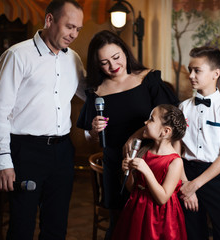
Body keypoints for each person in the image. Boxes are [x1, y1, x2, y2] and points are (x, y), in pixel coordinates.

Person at [0, 1, 85, 239]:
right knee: (21, 228)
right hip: (25, 153)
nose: (74, 34)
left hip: (62, 152)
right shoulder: (17, 55)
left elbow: (91, 93)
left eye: (78, 29)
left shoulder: (73, 58)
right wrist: (3, 161)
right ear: (49, 20)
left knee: (56, 228)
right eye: (69, 26)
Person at [76, 30, 179, 239]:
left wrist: (134, 136)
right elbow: (89, 137)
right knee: (119, 224)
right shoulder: (95, 91)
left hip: (150, 160)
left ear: (124, 51)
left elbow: (170, 123)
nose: (113, 66)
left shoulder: (147, 79)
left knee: (150, 223)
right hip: (115, 163)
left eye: (116, 57)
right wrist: (94, 132)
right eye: (104, 62)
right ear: (97, 64)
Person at [177, 46, 220, 240]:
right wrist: (186, 185)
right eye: (190, 69)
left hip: (215, 177)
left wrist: (194, 185)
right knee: (192, 234)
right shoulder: (183, 107)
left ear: (216, 73)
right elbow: (176, 150)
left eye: (197, 70)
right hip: (186, 173)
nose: (191, 75)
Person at [112, 104, 187, 240]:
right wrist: (127, 172)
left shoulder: (175, 162)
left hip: (160, 217)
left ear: (165, 131)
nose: (145, 122)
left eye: (151, 119)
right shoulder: (144, 151)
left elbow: (162, 198)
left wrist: (146, 170)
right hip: (136, 209)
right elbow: (131, 188)